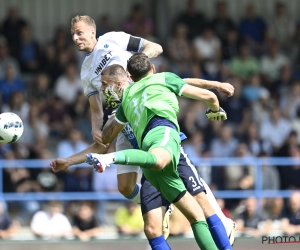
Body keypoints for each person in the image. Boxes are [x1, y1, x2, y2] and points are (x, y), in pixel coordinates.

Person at [51, 63, 236, 249]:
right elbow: (102, 144)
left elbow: (181, 82)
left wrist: (216, 85)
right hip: (149, 167)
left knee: (201, 207)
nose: (102, 89)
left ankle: (223, 227)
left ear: (120, 83)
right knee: (151, 229)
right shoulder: (120, 112)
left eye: (105, 84)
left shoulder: (145, 86)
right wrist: (69, 161)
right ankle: (169, 205)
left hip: (170, 152)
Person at [70, 14, 163, 206]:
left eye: (79, 33)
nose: (75, 38)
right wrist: (95, 128)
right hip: (120, 120)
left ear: (92, 31)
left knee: (163, 170)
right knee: (125, 187)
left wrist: (138, 63)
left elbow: (156, 47)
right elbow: (96, 109)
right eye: (73, 34)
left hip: (142, 110)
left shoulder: (112, 38)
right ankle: (158, 205)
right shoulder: (86, 71)